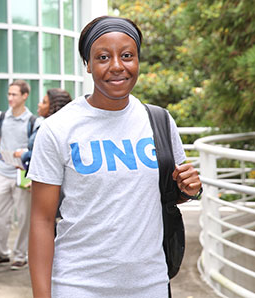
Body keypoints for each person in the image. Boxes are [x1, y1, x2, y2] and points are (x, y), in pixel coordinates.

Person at [27, 16, 203, 298]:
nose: (117, 66)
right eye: (103, 57)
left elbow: (163, 196)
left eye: (127, 55)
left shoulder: (159, 120)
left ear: (138, 61)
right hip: (78, 286)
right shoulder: (58, 128)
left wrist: (188, 189)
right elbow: (41, 221)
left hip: (150, 285)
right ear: (88, 64)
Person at [0, 80, 40, 270]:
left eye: (14, 94)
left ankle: (20, 255)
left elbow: (35, 148)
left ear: (25, 96)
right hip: (1, 172)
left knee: (24, 217)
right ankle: (0, 254)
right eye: (9, 94)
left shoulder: (33, 121)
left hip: (22, 175)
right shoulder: (0, 117)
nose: (10, 98)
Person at [14, 88, 73, 173]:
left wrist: (23, 155)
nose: (39, 104)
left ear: (54, 107)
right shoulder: (44, 125)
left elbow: (47, 155)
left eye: (44, 102)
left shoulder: (54, 130)